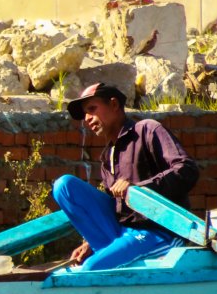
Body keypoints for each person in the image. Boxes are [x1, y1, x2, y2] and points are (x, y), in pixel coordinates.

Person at [52, 82, 199, 271]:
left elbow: (187, 169)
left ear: (114, 104)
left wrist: (139, 189)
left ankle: (106, 259)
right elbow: (116, 208)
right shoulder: (107, 157)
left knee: (91, 268)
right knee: (64, 186)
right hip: (123, 231)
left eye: (92, 109)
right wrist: (87, 244)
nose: (87, 118)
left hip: (157, 231)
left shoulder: (147, 130)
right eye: (85, 114)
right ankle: (103, 250)